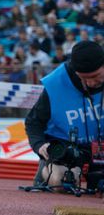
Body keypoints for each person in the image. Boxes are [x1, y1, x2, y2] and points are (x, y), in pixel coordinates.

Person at [25, 41, 104, 189]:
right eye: (84, 78)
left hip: (101, 148)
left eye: (96, 76)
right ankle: (47, 171)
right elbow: (33, 122)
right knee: (60, 182)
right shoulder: (56, 83)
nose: (91, 83)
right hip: (67, 150)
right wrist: (40, 145)